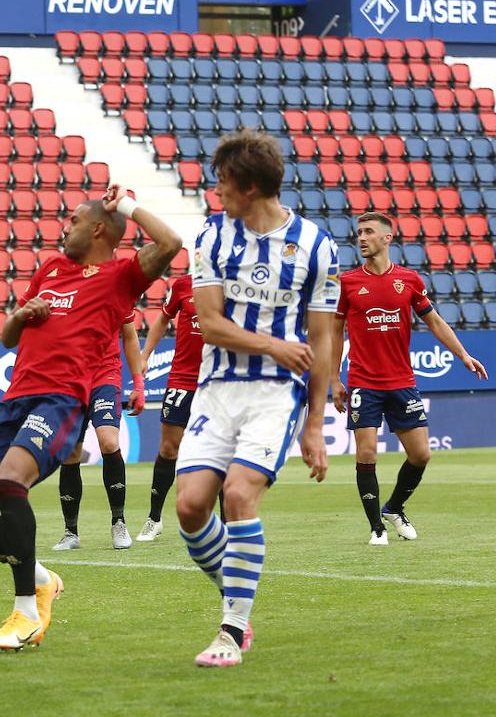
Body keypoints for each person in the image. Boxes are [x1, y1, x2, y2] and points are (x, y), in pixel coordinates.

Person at [0, 186, 180, 651]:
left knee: (10, 482)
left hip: (61, 402)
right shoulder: (51, 269)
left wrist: (127, 207)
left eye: (74, 219)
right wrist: (23, 312)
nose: (65, 226)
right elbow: (6, 337)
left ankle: (26, 613)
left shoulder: (120, 277)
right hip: (14, 400)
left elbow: (171, 244)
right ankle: (40, 577)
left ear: (99, 228)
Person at [174, 129, 336, 668]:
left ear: (247, 186)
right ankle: (239, 589)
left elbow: (321, 339)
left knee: (238, 496)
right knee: (191, 507)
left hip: (275, 394)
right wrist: (273, 344)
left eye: (222, 184)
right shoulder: (211, 239)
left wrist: (314, 424)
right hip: (217, 388)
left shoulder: (316, 246)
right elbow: (211, 324)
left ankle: (232, 629)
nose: (216, 194)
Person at [331, 212, 487, 545]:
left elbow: (435, 322)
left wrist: (463, 355)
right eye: (359, 232)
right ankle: (377, 529)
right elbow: (333, 333)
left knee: (421, 455)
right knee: (367, 453)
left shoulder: (409, 280)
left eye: (369, 232)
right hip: (363, 382)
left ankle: (394, 507)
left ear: (387, 238)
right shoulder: (347, 283)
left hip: (401, 381)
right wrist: (334, 378)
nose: (361, 237)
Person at [51, 316, 144, 551]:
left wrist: (138, 384)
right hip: (71, 379)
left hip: (106, 376)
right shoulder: (66, 291)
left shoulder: (115, 289)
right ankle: (71, 532)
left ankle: (119, 523)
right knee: (71, 453)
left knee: (109, 442)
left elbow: (130, 335)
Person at [134, 272, 204, 542]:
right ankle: (154, 519)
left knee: (222, 452)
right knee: (168, 448)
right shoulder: (185, 284)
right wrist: (145, 354)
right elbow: (163, 317)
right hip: (182, 378)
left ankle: (226, 524)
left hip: (216, 381)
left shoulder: (235, 283)